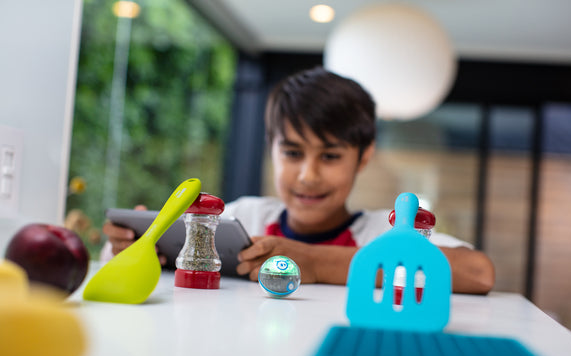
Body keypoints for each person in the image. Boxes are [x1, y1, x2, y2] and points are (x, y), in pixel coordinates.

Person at [102, 66, 495, 294]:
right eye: (292, 153)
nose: (308, 175)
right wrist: (127, 250)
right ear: (270, 148)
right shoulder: (245, 218)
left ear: (365, 156)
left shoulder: (383, 232)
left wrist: (317, 263)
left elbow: (477, 272)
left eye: (330, 155)